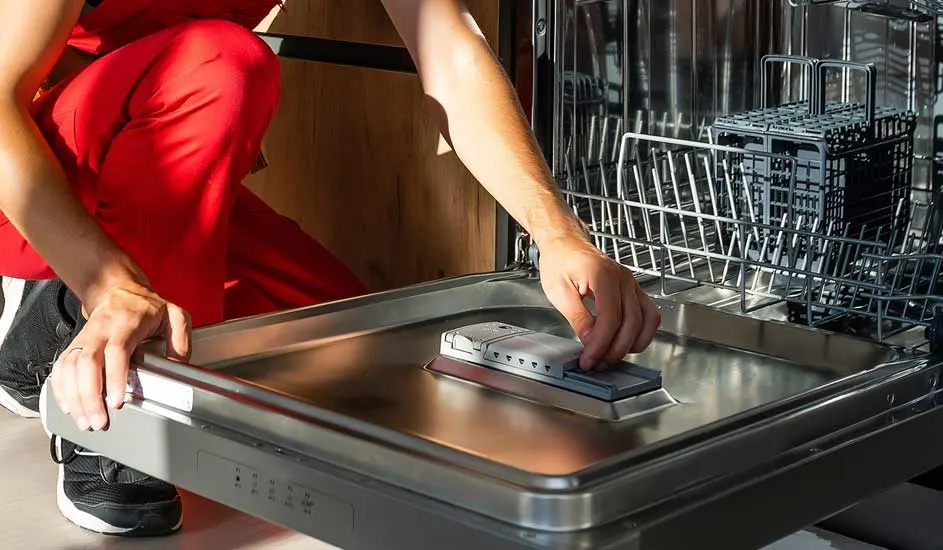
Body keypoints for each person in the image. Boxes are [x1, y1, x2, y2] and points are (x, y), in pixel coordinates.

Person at [0, 0, 661, 538]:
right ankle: (123, 423)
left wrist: (557, 233)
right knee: (222, 59)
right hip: (28, 180)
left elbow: (449, 54)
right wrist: (108, 282)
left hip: (145, 168)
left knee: (339, 362)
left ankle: (50, 327)